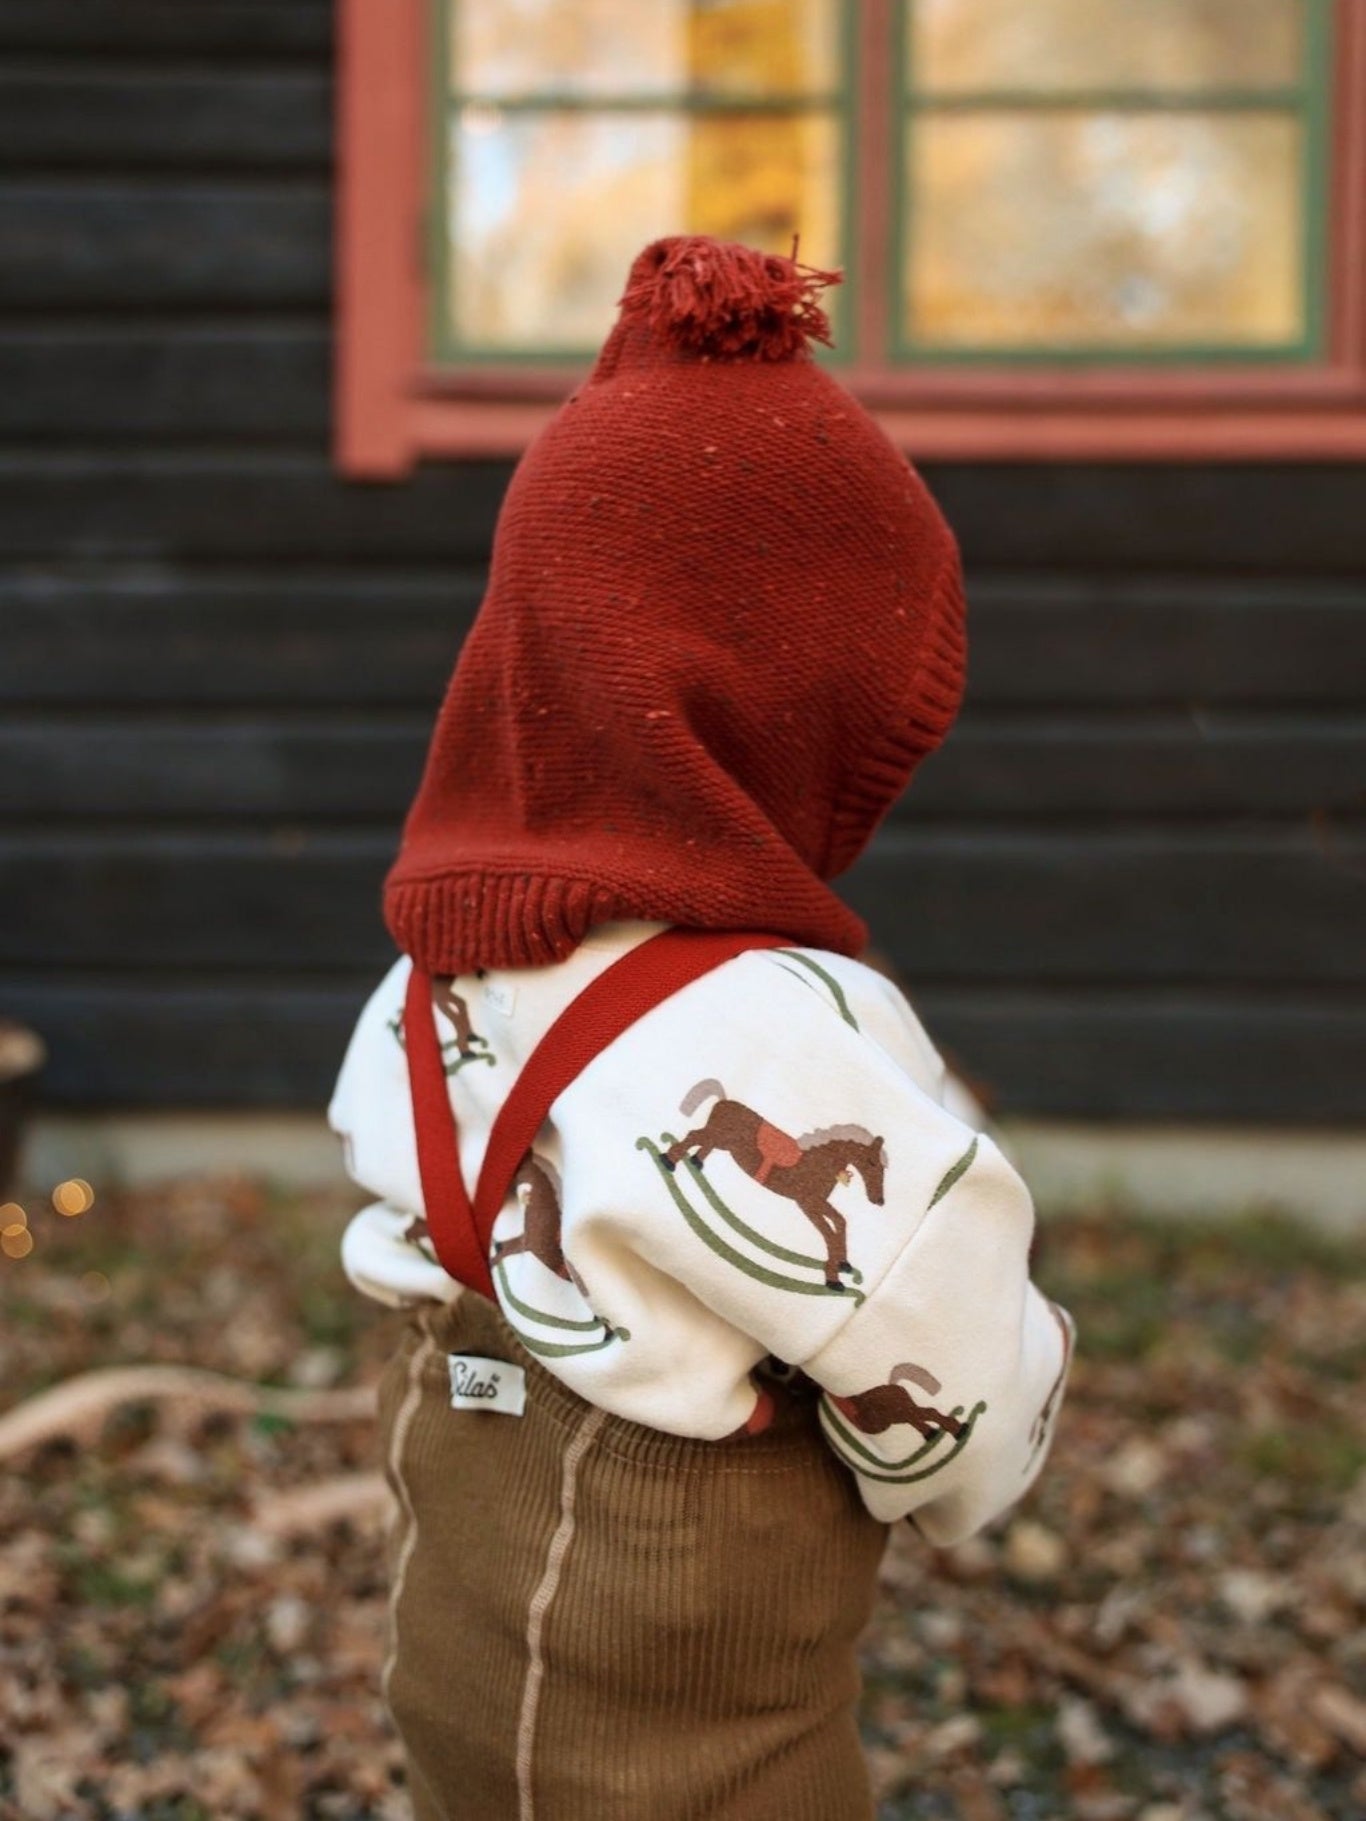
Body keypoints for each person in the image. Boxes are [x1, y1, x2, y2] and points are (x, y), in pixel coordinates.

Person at [328, 234, 1075, 1821]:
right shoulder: (778, 1026)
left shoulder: (436, 965)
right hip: (687, 1663)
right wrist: (968, 1455)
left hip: (456, 1576)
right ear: (777, 714)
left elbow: (384, 1161)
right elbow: (939, 1342)